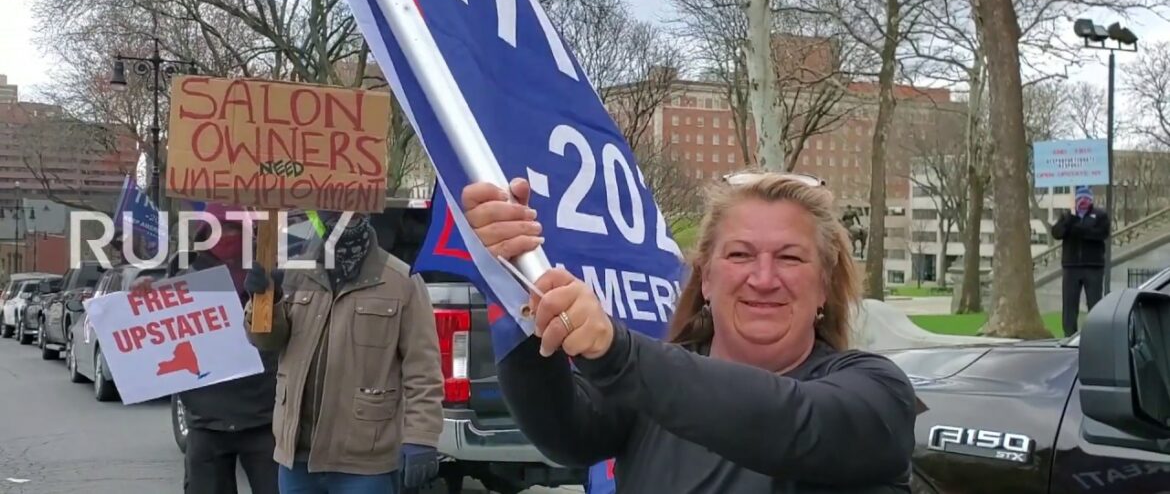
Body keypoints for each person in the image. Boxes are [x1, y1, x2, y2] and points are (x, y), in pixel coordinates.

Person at [460, 171, 918, 493]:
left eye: (791, 258)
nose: (763, 278)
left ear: (823, 285)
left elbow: (791, 423)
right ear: (706, 279)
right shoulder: (649, 390)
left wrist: (616, 352)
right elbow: (563, 433)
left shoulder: (878, 394)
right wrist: (512, 275)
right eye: (739, 255)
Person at [242, 210, 445, 494]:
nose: (342, 219)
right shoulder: (293, 273)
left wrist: (421, 436)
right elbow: (266, 341)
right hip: (297, 459)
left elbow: (423, 370)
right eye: (334, 212)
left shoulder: (403, 282)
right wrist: (264, 301)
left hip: (363, 462)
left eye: (351, 212)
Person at [130, 203, 279, 494]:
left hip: (263, 418)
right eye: (218, 228)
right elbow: (153, 340)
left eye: (234, 228)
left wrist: (275, 295)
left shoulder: (273, 277)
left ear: (249, 232)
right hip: (206, 423)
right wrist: (143, 296)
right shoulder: (186, 284)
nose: (225, 236)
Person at [1051, 185, 1111, 337]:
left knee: (1095, 304)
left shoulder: (1100, 216)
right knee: (1070, 304)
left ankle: (1097, 336)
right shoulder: (1067, 217)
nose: (1083, 201)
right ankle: (1069, 335)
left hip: (1093, 267)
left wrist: (1078, 229)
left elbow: (1100, 234)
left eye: (1086, 198)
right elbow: (1057, 233)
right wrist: (1070, 220)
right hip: (1071, 267)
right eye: (1080, 198)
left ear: (1090, 200)